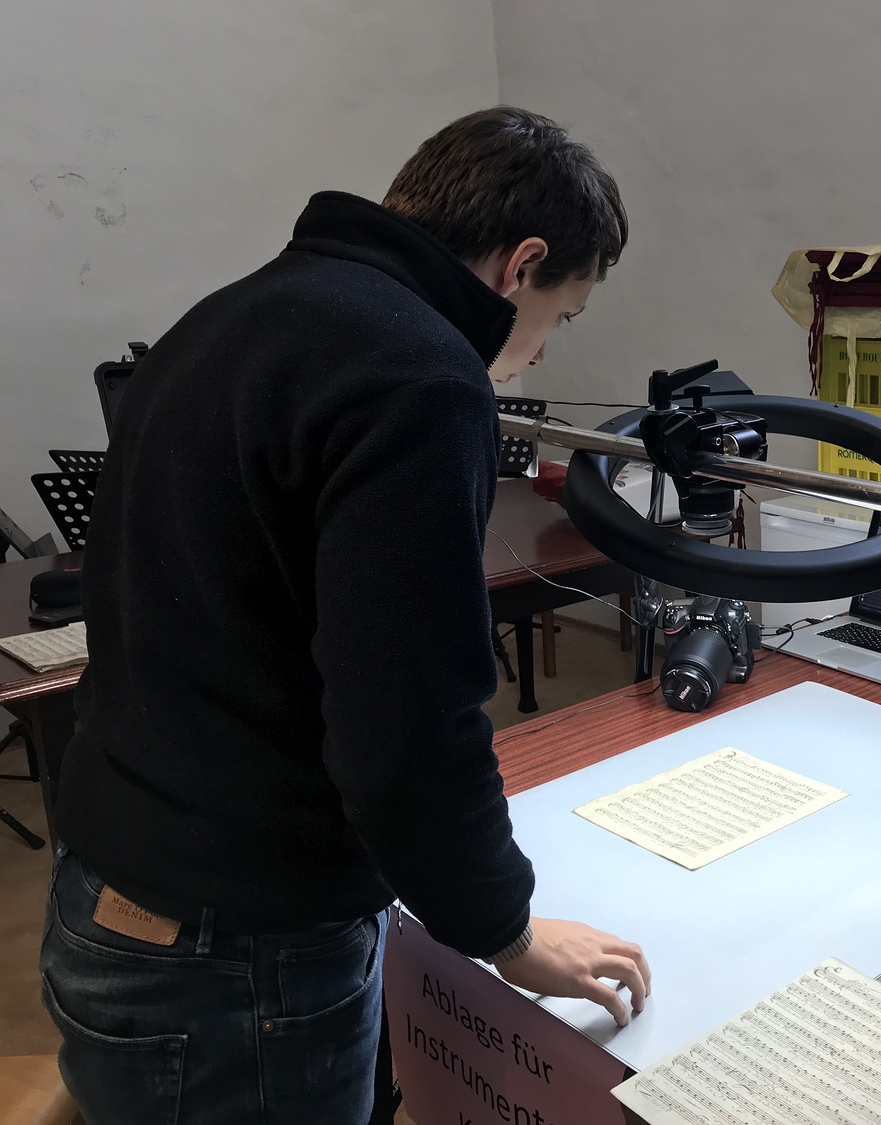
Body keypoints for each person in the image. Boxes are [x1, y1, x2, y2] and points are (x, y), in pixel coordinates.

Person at [40, 106, 649, 1125]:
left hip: (108, 885)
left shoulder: (226, 316)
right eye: (563, 315)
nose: (542, 353)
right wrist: (505, 932)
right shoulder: (421, 373)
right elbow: (405, 722)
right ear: (522, 265)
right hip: (238, 954)